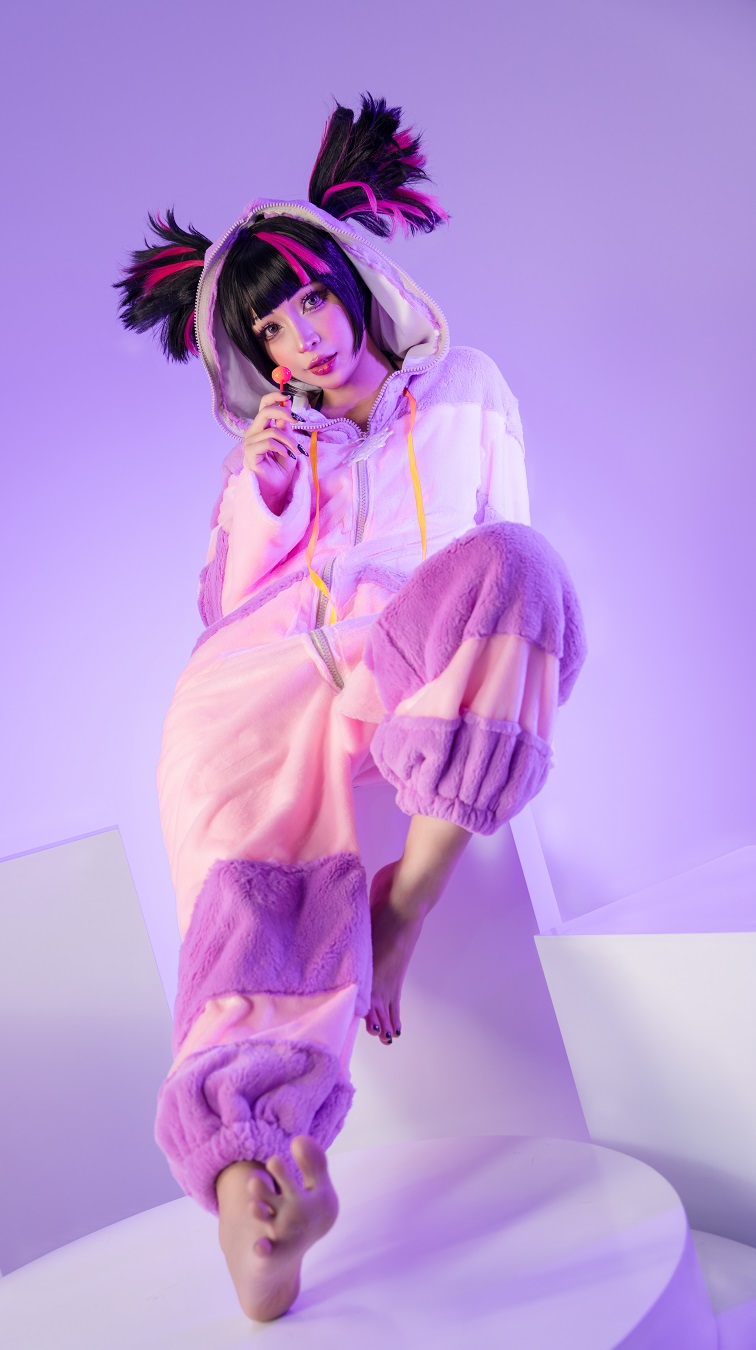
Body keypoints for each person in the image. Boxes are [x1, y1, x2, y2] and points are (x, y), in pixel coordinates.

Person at [116, 94, 585, 1322]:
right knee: (248, 892)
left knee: (524, 571)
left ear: (356, 281)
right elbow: (222, 606)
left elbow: (493, 539)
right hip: (265, 677)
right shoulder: (277, 450)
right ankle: (256, 1189)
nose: (302, 339)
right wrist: (265, 490)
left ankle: (402, 907)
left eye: (309, 301)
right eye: (270, 329)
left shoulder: (467, 386)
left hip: (402, 642)